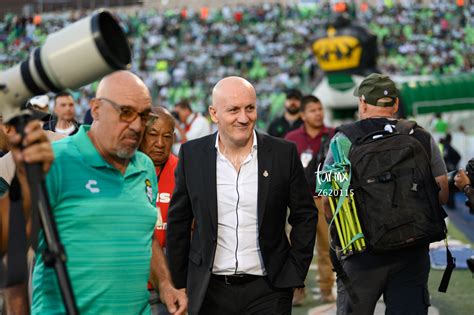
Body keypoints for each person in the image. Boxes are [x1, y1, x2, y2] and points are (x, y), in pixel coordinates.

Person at [30, 71, 187, 314]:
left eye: (143, 116)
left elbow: (146, 236)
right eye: (125, 112)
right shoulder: (54, 160)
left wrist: (166, 285)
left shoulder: (144, 167)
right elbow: (14, 248)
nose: (136, 125)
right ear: (96, 109)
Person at [166, 76, 317, 315]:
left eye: (250, 108)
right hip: (209, 290)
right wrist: (179, 284)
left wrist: (295, 269)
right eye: (233, 110)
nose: (244, 118)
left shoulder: (282, 153)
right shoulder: (192, 155)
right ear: (214, 114)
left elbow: (305, 215)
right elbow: (178, 224)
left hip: (270, 289)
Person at [322, 73, 448, 314]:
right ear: (396, 104)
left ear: (363, 103)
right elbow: (440, 194)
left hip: (362, 253)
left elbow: (329, 200)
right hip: (412, 249)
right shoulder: (420, 135)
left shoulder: (343, 140)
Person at [285, 95, 335, 304]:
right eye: (313, 110)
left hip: (325, 200)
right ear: (303, 115)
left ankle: (326, 289)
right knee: (296, 248)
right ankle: (296, 289)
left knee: (327, 248)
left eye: (320, 109)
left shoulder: (334, 136)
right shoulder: (291, 138)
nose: (318, 113)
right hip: (298, 203)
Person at [139, 106, 179, 315]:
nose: (160, 144)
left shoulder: (183, 171)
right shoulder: (125, 168)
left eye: (167, 136)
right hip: (130, 285)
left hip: (169, 285)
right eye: (153, 135)